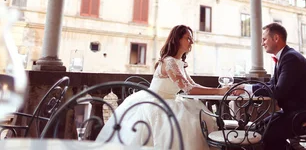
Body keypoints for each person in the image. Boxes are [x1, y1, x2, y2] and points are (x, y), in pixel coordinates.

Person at [95, 25, 227, 149]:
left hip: (172, 100)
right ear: (177, 40)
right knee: (185, 124)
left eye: (192, 39)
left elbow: (192, 84)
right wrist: (219, 91)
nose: (191, 42)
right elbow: (188, 88)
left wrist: (219, 90)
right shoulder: (169, 61)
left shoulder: (180, 63)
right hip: (156, 102)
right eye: (188, 38)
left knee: (200, 116)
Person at [243, 23, 306, 150]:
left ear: (276, 38)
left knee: (267, 132)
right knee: (258, 127)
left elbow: (278, 91)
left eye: (264, 39)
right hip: (298, 113)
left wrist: (248, 89)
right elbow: (271, 85)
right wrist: (247, 87)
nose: (262, 43)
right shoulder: (285, 57)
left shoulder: (290, 58)